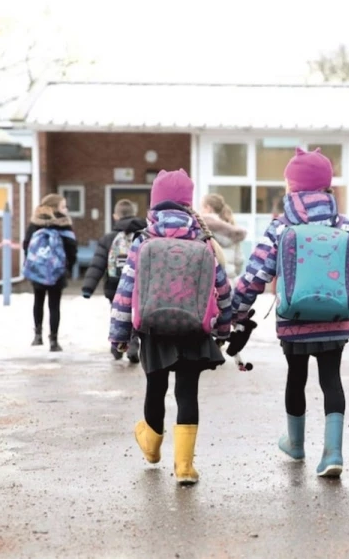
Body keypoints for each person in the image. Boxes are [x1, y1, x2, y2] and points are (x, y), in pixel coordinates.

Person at [231, 148, 349, 478]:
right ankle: (333, 453)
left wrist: (236, 312)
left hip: (293, 320)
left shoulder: (280, 228)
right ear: (326, 188)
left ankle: (296, 444)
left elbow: (255, 275)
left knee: (295, 378)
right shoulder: (345, 226)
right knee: (331, 380)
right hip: (336, 320)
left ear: (292, 187)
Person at [109, 169, 232, 486]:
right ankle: (185, 467)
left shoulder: (143, 240)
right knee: (187, 392)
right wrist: (225, 326)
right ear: (188, 204)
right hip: (193, 328)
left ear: (155, 203)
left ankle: (151, 448)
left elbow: (125, 292)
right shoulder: (203, 241)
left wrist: (119, 334)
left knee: (156, 387)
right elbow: (222, 288)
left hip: (153, 328)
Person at [81, 199, 148, 363]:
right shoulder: (145, 236)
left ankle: (116, 346)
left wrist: (88, 287)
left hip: (114, 285)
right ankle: (133, 345)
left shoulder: (108, 238)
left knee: (117, 314)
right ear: (135, 212)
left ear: (115, 216)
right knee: (135, 315)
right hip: (139, 284)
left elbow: (98, 264)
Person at [22, 193, 77, 352]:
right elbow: (72, 248)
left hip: (38, 270)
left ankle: (37, 335)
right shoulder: (64, 225)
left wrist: (33, 264)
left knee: (38, 301)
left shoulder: (35, 223)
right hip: (57, 271)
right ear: (55, 208)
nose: (66, 209)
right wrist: (67, 267)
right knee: (55, 305)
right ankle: (54, 340)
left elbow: (26, 245)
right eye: (63, 206)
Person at [200, 193, 248, 280]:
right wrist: (232, 273)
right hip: (228, 278)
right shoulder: (233, 232)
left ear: (208, 208)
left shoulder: (200, 226)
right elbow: (239, 260)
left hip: (208, 279)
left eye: (202, 207)